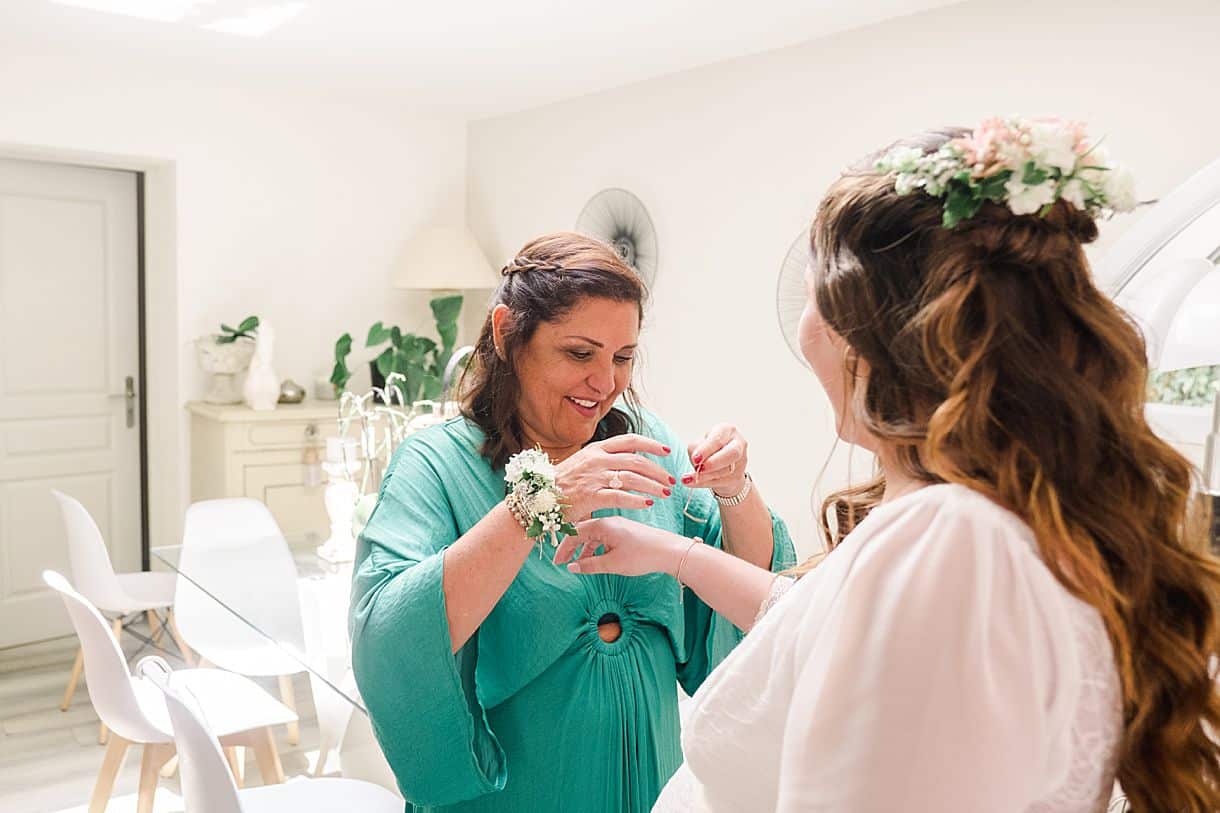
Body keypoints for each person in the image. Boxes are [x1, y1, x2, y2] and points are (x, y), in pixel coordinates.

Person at [554, 120, 1220, 812]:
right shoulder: (983, 522)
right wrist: (670, 552)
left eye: (808, 292)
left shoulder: (949, 540)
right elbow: (813, 620)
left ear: (865, 329)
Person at [349, 231, 796, 812]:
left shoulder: (646, 444)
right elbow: (389, 635)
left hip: (653, 786)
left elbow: (752, 599)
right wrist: (535, 505)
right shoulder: (435, 465)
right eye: (580, 354)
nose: (606, 382)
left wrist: (737, 489)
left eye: (623, 357)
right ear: (508, 334)